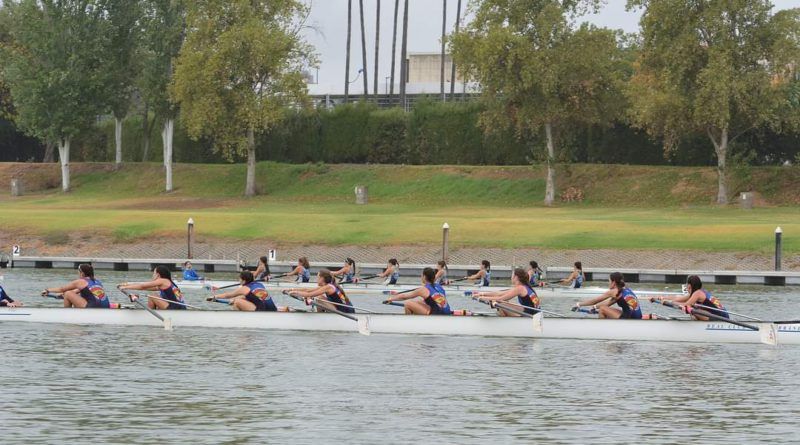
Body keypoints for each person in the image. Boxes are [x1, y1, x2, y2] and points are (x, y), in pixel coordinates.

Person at [652, 275, 729, 320]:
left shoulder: (697, 293)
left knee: (691, 309)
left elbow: (685, 305)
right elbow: (678, 298)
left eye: (687, 285)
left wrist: (669, 303)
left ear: (690, 286)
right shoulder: (698, 292)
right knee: (692, 309)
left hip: (721, 318)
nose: (686, 287)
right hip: (721, 314)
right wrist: (663, 298)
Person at [385, 267, 452, 315]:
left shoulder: (422, 289)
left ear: (424, 277)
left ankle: (409, 323)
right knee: (419, 301)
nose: (421, 276)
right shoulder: (439, 286)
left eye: (422, 275)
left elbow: (404, 297)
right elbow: (435, 301)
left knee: (408, 303)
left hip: (437, 314)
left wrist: (391, 298)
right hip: (447, 311)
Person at [573, 272, 641, 319]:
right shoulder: (624, 289)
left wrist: (579, 304)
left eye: (609, 281)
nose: (608, 283)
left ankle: (602, 329)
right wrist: (595, 307)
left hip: (630, 318)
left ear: (613, 282)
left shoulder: (613, 291)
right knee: (604, 308)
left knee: (602, 309)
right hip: (636, 316)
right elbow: (608, 303)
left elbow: (594, 301)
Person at [474, 268, 540, 316]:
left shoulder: (520, 288)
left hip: (532, 315)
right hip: (532, 312)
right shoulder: (522, 287)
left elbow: (501, 298)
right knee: (502, 303)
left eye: (512, 275)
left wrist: (482, 298)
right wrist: (481, 294)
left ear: (516, 277)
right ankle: (505, 322)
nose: (510, 277)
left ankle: (505, 325)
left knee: (500, 303)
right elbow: (499, 293)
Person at [42, 264, 110, 308]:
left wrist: (47, 290)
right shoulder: (97, 282)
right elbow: (76, 292)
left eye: (78, 271)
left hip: (93, 306)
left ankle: (66, 315)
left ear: (82, 273)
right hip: (105, 306)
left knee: (67, 293)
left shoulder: (80, 282)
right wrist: (60, 295)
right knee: (69, 294)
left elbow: (62, 289)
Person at [287, 269, 355, 313]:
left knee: (319, 298)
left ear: (322, 278)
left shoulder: (328, 287)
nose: (316, 279)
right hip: (343, 309)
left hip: (345, 311)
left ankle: (319, 316)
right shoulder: (328, 285)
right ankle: (320, 314)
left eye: (318, 277)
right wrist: (292, 289)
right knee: (319, 297)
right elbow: (307, 290)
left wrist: (296, 293)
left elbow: (309, 294)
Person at [118, 265, 186, 310]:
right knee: (154, 295)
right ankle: (152, 312)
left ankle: (149, 316)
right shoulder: (167, 282)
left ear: (158, 275)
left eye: (154, 273)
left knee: (151, 296)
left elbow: (142, 286)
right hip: (181, 307)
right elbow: (145, 288)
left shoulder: (162, 281)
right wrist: (127, 285)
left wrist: (125, 287)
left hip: (176, 308)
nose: (153, 275)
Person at [210, 271, 278, 312]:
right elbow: (250, 297)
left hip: (262, 311)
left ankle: (239, 320)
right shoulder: (259, 284)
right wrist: (234, 299)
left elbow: (227, 295)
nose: (238, 280)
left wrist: (214, 297)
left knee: (236, 302)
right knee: (238, 299)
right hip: (273, 309)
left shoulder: (244, 288)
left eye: (239, 278)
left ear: (244, 280)